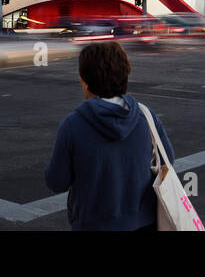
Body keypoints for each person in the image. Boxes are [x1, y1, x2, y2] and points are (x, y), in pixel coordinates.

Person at [44, 40, 174, 231]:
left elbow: (56, 182)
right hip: (143, 221)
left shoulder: (73, 124)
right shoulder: (145, 116)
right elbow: (167, 161)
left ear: (85, 81)